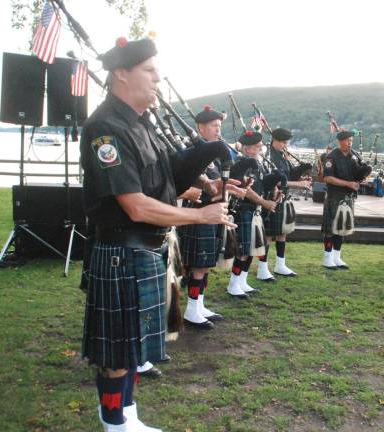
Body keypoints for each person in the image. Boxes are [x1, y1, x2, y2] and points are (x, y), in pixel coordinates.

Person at [80, 36, 235, 432]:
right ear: (121, 73)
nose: (157, 79)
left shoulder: (142, 124)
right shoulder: (106, 129)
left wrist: (207, 150)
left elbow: (170, 177)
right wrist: (201, 217)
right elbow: (135, 205)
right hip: (121, 250)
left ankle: (127, 415)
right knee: (117, 350)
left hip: (144, 250)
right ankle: (114, 421)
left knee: (134, 345)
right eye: (149, 71)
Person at [178, 105, 227, 329]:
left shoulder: (212, 152)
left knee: (205, 263)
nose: (218, 130)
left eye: (220, 126)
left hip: (213, 212)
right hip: (197, 212)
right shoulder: (191, 150)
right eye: (214, 126)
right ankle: (191, 310)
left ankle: (199, 306)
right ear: (200, 127)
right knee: (198, 265)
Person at [227, 130, 279, 296]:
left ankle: (242, 281)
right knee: (243, 249)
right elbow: (246, 190)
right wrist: (265, 203)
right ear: (248, 149)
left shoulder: (258, 162)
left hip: (254, 210)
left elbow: (261, 185)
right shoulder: (243, 163)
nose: (261, 148)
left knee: (251, 248)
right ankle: (233, 284)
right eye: (258, 146)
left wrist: (274, 190)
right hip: (243, 209)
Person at [257, 128, 311, 280]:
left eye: (287, 143)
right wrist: (299, 185)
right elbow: (278, 180)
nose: (286, 145)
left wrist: (301, 172)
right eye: (284, 142)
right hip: (272, 198)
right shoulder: (268, 156)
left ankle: (280, 265)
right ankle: (263, 269)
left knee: (282, 232)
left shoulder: (282, 155)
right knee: (268, 234)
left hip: (284, 198)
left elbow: (288, 175)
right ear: (275, 140)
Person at [321, 130, 361, 269]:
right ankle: (327, 258)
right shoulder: (332, 157)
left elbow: (359, 172)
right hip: (334, 196)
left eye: (351, 140)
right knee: (331, 229)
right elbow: (327, 178)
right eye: (347, 140)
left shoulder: (355, 156)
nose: (350, 143)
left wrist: (361, 179)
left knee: (342, 227)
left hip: (348, 196)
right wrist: (348, 184)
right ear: (340, 141)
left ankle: (337, 258)